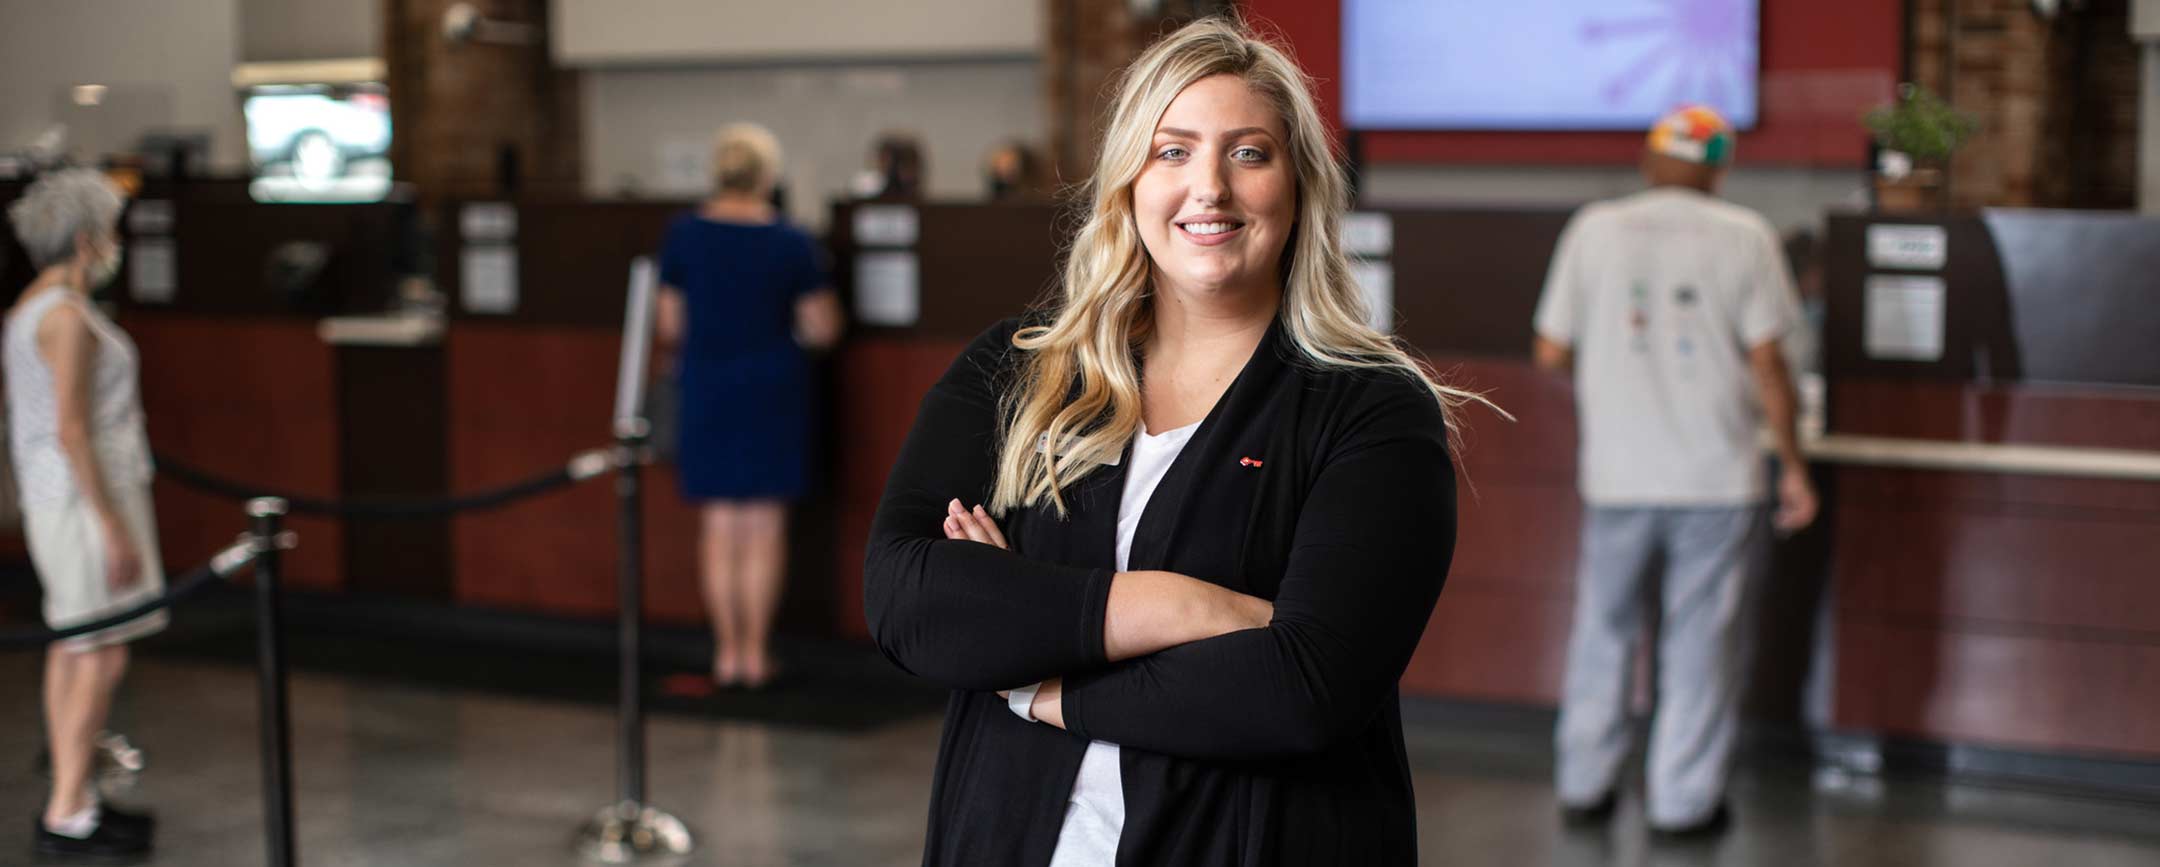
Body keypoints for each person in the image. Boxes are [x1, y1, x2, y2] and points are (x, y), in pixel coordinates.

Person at [863, 17, 1480, 865]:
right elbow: (908, 600)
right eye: (1173, 151)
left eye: (1249, 153)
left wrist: (1036, 677)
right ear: (1128, 180)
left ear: (1299, 182)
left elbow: (1301, 690)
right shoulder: (1021, 370)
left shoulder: (1373, 412)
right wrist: (1177, 607)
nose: (1210, 189)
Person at [1532, 105, 1819, 836]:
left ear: (1650, 160)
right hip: (1717, 479)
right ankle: (1681, 803)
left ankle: (1584, 784)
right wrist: (1793, 465)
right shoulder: (1746, 237)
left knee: (1603, 628)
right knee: (1701, 643)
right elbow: (1770, 365)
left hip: (1617, 475)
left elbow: (1550, 351)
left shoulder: (1594, 229)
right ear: (1719, 168)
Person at [5, 169, 162, 858]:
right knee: (101, 648)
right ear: (84, 238)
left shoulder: (32, 307)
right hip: (80, 497)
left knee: (76, 646)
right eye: (107, 232)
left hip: (60, 493)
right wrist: (111, 524)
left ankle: (75, 800)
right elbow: (72, 427)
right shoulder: (64, 317)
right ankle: (69, 806)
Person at [655, 124, 843, 690]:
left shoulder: (684, 236)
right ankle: (757, 656)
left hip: (707, 386)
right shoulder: (789, 240)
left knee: (719, 526)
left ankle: (725, 654)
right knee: (762, 527)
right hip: (771, 389)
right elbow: (823, 326)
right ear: (768, 175)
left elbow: (669, 323)